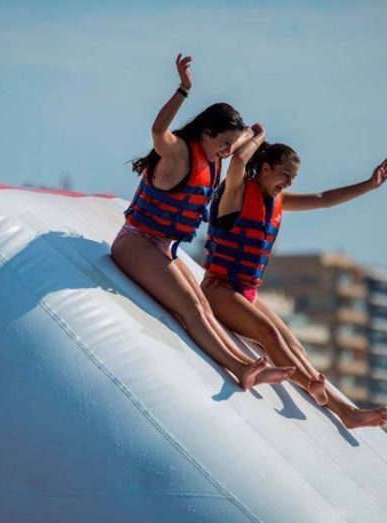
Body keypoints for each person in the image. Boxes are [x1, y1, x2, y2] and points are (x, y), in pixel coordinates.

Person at [111, 54, 294, 390]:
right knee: (192, 308)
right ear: (206, 134)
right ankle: (241, 369)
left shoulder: (213, 156)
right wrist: (183, 89)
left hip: (164, 247)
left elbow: (240, 143)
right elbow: (157, 130)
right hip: (136, 240)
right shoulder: (179, 152)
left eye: (229, 145)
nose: (225, 151)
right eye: (222, 143)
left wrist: (256, 134)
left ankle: (245, 365)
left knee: (203, 308)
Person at [201, 127, 387, 428]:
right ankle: (330, 399)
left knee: (296, 346)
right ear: (265, 168)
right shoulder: (237, 191)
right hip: (220, 290)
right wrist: (256, 136)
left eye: (293, 179)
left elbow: (325, 198)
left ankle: (344, 408)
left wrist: (368, 185)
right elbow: (239, 158)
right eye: (285, 176)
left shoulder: (279, 201)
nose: (289, 183)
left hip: (246, 292)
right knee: (271, 335)